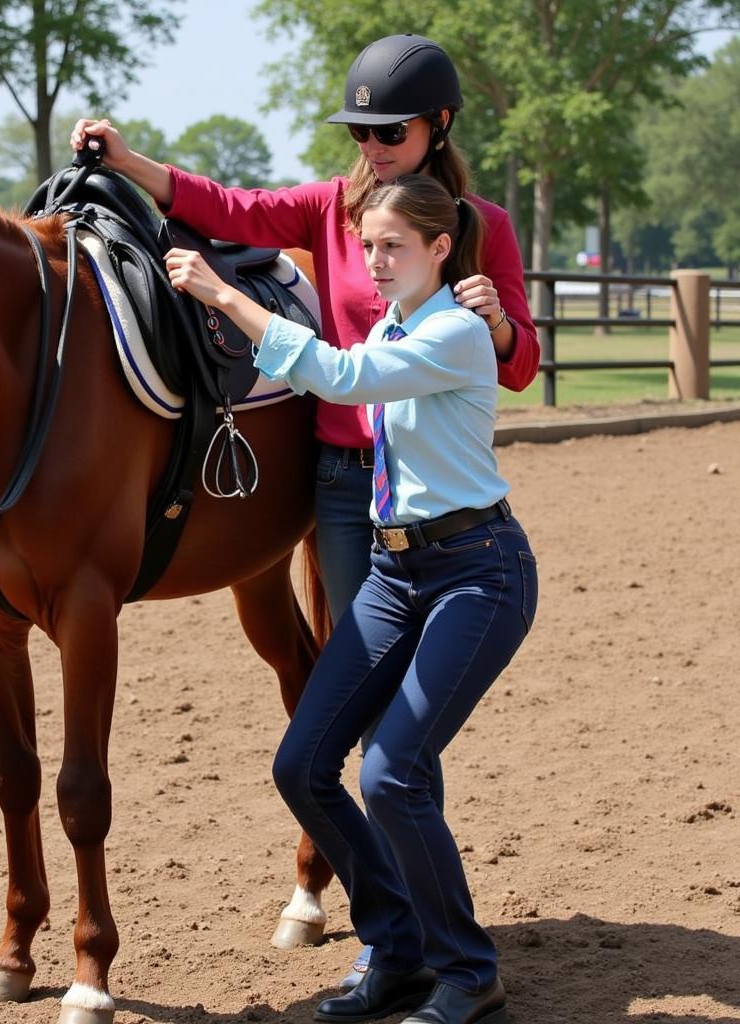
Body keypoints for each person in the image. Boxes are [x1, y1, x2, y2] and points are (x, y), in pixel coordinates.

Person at [72, 32, 539, 989]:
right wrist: (131, 163)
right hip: (346, 485)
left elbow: (519, 362)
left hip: (439, 500)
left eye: (389, 129)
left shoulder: (481, 224)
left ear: (438, 125)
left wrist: (494, 324)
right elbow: (230, 206)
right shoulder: (334, 206)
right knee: (350, 719)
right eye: (360, 129)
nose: (370, 145)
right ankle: (390, 934)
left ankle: (429, 944)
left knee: (396, 745)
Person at [164, 174, 536, 1024]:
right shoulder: (404, 322)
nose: (374, 261)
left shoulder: (452, 331)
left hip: (477, 572)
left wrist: (223, 292)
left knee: (393, 772)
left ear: (442, 250)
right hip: (398, 573)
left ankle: (469, 971)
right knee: (302, 765)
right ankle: (397, 950)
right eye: (367, 246)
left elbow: (334, 376)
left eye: (394, 246)